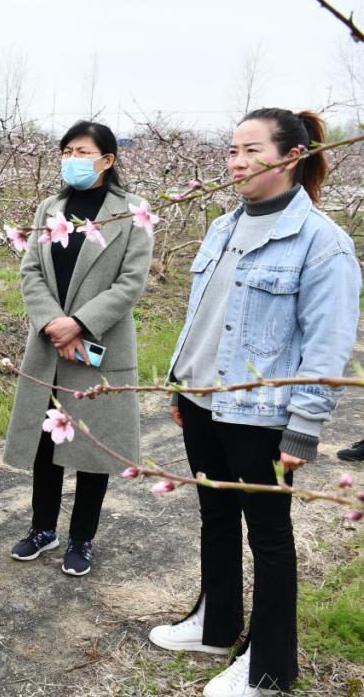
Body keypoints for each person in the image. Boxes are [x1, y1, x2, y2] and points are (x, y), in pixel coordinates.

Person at [150, 109, 360, 697]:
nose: (237, 163)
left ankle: (268, 667)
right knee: (214, 514)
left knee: (268, 535)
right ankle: (215, 626)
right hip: (200, 400)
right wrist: (178, 384)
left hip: (261, 413)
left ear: (291, 155)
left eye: (250, 150)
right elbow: (204, 317)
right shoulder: (222, 227)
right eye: (232, 151)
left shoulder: (322, 243)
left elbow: (327, 343)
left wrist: (305, 426)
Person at [2, 120, 153, 577]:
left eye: (83, 151)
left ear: (107, 160)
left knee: (93, 446)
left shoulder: (131, 212)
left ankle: (81, 539)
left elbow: (131, 283)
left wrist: (80, 324)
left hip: (99, 342)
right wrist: (53, 322)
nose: (73, 159)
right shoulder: (52, 206)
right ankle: (43, 528)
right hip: (50, 344)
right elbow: (30, 270)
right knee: (47, 442)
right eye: (67, 150)